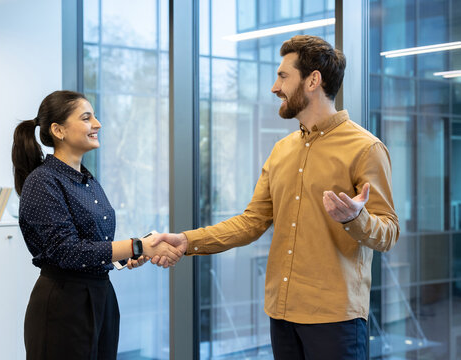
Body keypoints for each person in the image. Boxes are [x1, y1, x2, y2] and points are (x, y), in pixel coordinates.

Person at [150, 35, 400, 359]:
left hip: (335, 319)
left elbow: (389, 232)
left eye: (283, 76)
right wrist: (187, 241)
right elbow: (251, 222)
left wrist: (356, 218)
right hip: (281, 313)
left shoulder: (366, 148)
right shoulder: (282, 150)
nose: (274, 87)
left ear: (313, 81)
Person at [12, 90, 181, 360]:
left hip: (101, 297)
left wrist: (130, 254)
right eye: (87, 118)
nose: (98, 124)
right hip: (64, 306)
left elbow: (92, 245)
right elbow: (66, 251)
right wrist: (136, 246)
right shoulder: (43, 181)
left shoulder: (88, 180)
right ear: (59, 130)